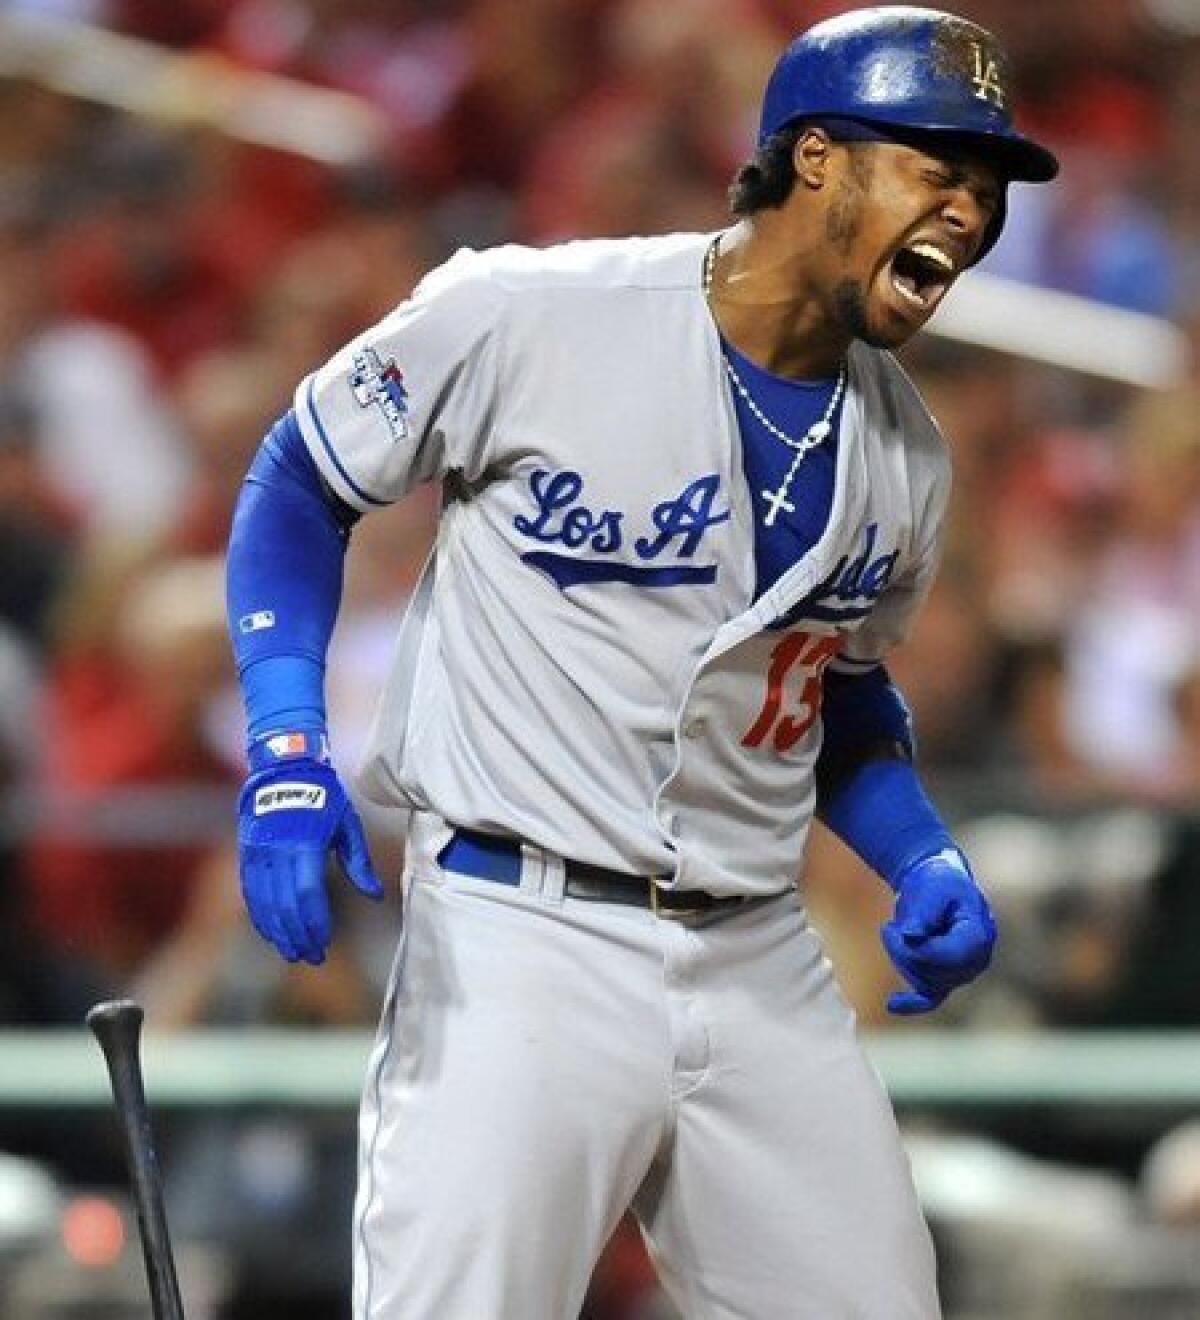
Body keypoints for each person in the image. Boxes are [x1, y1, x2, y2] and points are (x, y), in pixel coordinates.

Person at [226, 7, 1058, 1317]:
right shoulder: (531, 313)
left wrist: (916, 852)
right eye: (937, 166)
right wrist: (283, 743)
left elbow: (828, 685)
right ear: (818, 158)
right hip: (519, 932)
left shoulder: (908, 455)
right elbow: (297, 486)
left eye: (988, 182)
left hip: (758, 955)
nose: (969, 207)